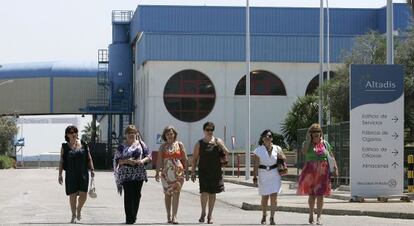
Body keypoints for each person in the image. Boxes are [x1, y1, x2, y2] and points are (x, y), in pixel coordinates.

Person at [297, 123, 338, 225]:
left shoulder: (325, 143)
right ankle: (311, 214)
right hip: (310, 171)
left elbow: (331, 156)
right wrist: (308, 139)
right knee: (312, 195)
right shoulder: (307, 143)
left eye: (318, 131)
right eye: (313, 132)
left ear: (321, 133)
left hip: (323, 171)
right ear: (310, 133)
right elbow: (304, 151)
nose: (316, 133)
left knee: (320, 195)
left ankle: (319, 217)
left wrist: (335, 168)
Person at [191, 121, 229, 224]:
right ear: (204, 130)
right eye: (207, 129)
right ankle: (203, 212)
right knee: (204, 192)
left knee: (213, 194)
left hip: (216, 172)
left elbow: (227, 152)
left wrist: (221, 145)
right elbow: (194, 159)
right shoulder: (199, 143)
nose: (210, 132)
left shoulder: (218, 141)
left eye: (211, 130)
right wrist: (193, 172)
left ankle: (210, 215)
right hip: (204, 172)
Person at [113, 125, 152, 224]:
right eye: (129, 132)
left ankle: (134, 216)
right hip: (126, 174)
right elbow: (118, 161)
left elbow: (149, 156)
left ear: (136, 134)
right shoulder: (121, 147)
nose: (131, 134)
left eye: (133, 132)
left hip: (139, 174)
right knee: (128, 195)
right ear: (125, 135)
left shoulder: (142, 144)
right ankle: (129, 218)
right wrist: (127, 161)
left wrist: (142, 161)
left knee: (137, 195)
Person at [58, 125, 95, 223]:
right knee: (72, 196)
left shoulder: (84, 144)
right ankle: (74, 214)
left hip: (83, 173)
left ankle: (79, 209)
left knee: (83, 195)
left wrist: (92, 169)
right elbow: (61, 161)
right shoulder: (64, 147)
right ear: (67, 135)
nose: (74, 134)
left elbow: (89, 157)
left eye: (75, 132)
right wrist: (60, 174)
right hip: (71, 174)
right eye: (71, 132)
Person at [155, 126, 189, 224]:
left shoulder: (180, 144)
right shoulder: (162, 146)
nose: (170, 135)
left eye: (171, 133)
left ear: (174, 134)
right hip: (166, 174)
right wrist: (157, 172)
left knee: (176, 193)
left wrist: (187, 172)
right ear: (165, 136)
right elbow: (159, 160)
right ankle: (168, 215)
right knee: (167, 194)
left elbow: (185, 158)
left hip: (178, 173)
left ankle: (174, 216)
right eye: (168, 134)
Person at [252, 129, 285, 225]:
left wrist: (281, 156)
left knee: (274, 197)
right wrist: (254, 177)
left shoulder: (277, 148)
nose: (267, 137)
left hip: (275, 174)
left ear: (272, 138)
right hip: (263, 174)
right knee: (265, 197)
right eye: (265, 136)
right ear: (262, 138)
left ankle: (272, 217)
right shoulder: (258, 150)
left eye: (269, 136)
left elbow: (284, 157)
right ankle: (264, 215)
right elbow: (255, 165)